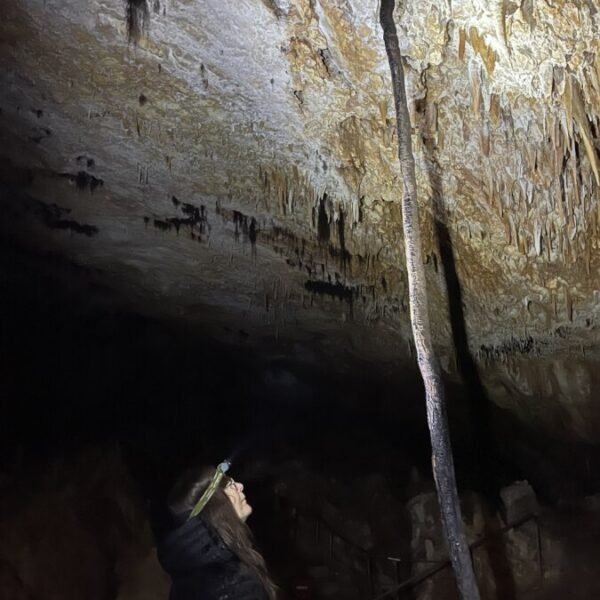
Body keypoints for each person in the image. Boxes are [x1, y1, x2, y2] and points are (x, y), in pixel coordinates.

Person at [157, 461, 278, 600]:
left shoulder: (187, 576)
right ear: (216, 506)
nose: (240, 486)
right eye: (231, 485)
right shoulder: (236, 584)